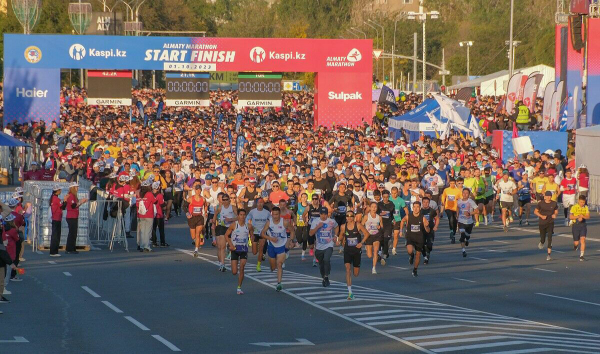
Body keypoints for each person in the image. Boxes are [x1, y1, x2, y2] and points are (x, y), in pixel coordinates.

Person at [261, 207, 294, 292]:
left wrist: (290, 241)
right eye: (273, 214)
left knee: (279, 264)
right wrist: (270, 238)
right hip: (271, 245)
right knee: (273, 267)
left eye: (277, 214)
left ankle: (279, 283)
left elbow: (292, 231)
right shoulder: (269, 222)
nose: (275, 216)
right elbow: (262, 233)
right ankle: (277, 262)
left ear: (280, 214)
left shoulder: (285, 222)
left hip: (281, 245)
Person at [337, 210, 369, 300]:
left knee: (356, 273)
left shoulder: (358, 225)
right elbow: (341, 236)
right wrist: (338, 240)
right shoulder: (343, 226)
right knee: (348, 270)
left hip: (356, 251)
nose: (349, 217)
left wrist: (361, 243)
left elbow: (367, 234)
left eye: (351, 216)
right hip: (347, 250)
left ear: (354, 217)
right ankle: (350, 292)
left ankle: (357, 266)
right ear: (346, 217)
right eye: (347, 216)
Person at [309, 207, 339, 287]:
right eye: (322, 214)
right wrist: (318, 227)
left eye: (325, 214)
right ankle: (324, 277)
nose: (323, 216)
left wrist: (335, 236)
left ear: (327, 214)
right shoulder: (315, 221)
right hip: (319, 247)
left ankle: (326, 276)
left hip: (329, 245)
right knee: (321, 264)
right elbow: (311, 233)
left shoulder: (331, 221)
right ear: (320, 214)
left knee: (326, 259)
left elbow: (336, 226)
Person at [400, 201, 430, 277]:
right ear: (412, 208)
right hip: (410, 236)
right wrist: (401, 230)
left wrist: (426, 226)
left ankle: (415, 269)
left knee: (418, 255)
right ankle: (411, 255)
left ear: (420, 208)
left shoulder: (423, 218)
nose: (416, 209)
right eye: (414, 207)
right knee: (409, 250)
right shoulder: (408, 216)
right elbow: (402, 220)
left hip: (419, 238)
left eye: (417, 207)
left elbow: (428, 230)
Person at [225, 209, 251, 295]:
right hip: (235, 249)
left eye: (244, 215)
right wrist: (230, 245)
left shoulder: (248, 226)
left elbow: (252, 234)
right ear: (238, 216)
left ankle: (239, 287)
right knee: (234, 272)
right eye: (241, 215)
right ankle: (230, 254)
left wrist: (254, 242)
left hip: (244, 249)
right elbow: (226, 235)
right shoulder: (233, 225)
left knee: (242, 267)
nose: (242, 217)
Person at [213, 193, 237, 272]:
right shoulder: (220, 208)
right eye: (224, 200)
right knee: (222, 246)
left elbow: (238, 217)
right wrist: (213, 223)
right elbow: (215, 216)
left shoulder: (233, 207)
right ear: (222, 201)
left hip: (231, 228)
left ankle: (233, 261)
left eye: (227, 200)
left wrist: (230, 220)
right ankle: (222, 264)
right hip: (222, 227)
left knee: (233, 246)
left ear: (229, 200)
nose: (225, 201)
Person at [246, 198, 270, 271]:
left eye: (261, 203)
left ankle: (258, 265)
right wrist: (250, 229)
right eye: (258, 203)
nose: (260, 204)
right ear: (256, 204)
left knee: (261, 249)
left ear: (263, 204)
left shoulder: (267, 212)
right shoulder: (252, 212)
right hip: (254, 232)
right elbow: (247, 220)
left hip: (262, 232)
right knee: (254, 252)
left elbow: (271, 221)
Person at [534, 191, 558, 261]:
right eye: (547, 196)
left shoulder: (554, 203)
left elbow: (556, 211)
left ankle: (549, 255)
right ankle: (541, 242)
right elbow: (535, 211)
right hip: (542, 223)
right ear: (544, 197)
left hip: (550, 222)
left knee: (550, 237)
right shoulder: (541, 203)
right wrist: (541, 216)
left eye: (550, 196)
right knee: (543, 238)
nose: (548, 197)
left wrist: (555, 215)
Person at [64, 183, 88, 254]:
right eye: (76, 187)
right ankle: (69, 248)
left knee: (74, 233)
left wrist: (80, 203)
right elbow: (73, 206)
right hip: (71, 216)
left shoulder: (74, 196)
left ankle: (72, 248)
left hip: (74, 216)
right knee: (72, 233)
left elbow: (76, 205)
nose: (77, 188)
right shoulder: (71, 196)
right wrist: (81, 202)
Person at [362, 202, 383, 274]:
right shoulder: (366, 216)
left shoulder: (379, 217)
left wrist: (379, 227)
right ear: (370, 208)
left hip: (376, 235)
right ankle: (367, 247)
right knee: (369, 255)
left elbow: (382, 227)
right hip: (368, 236)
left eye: (375, 207)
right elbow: (361, 225)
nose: (374, 208)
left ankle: (374, 268)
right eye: (372, 207)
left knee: (376, 251)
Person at [187, 180, 207, 257]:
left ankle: (196, 250)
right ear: (195, 190)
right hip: (192, 218)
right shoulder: (190, 199)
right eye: (197, 190)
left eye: (199, 190)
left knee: (197, 233)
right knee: (193, 236)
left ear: (201, 191)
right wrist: (187, 214)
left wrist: (205, 212)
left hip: (199, 217)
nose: (198, 191)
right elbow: (184, 206)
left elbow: (205, 205)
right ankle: (197, 240)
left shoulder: (203, 199)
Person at [456, 188, 478, 258]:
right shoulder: (459, 201)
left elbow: (477, 211)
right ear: (462, 193)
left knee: (467, 235)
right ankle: (463, 251)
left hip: (469, 222)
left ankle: (467, 239)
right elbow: (457, 208)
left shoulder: (470, 201)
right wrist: (457, 216)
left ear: (469, 195)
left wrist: (470, 213)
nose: (465, 194)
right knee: (462, 236)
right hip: (461, 221)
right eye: (464, 193)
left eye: (467, 193)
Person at [137, 179, 156, 252]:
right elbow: (155, 201)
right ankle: (147, 246)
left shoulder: (139, 194)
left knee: (142, 231)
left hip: (141, 214)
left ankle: (142, 245)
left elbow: (137, 204)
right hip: (148, 214)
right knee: (148, 231)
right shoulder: (149, 194)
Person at [569, 195, 590, 261]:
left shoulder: (586, 207)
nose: (582, 204)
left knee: (583, 239)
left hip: (583, 225)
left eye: (583, 202)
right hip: (576, 225)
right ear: (578, 201)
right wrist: (578, 217)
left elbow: (588, 216)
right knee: (576, 242)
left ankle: (581, 255)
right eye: (581, 202)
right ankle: (575, 246)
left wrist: (583, 216)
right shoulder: (574, 207)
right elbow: (571, 217)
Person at [441, 178, 461, 243]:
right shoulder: (446, 190)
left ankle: (453, 234)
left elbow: (461, 198)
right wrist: (443, 202)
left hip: (455, 208)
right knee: (451, 218)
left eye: (453, 183)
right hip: (448, 207)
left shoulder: (458, 191)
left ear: (455, 183)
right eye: (451, 183)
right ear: (449, 183)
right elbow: (443, 196)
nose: (452, 185)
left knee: (455, 221)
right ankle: (451, 231)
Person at [420, 197, 439, 264]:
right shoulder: (419, 211)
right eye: (424, 202)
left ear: (429, 203)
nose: (425, 204)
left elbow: (437, 218)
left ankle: (428, 253)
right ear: (422, 203)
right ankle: (425, 257)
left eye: (427, 202)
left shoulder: (432, 211)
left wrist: (436, 226)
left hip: (430, 230)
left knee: (429, 245)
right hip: (421, 230)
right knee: (422, 244)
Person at [390, 186, 408, 256]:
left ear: (397, 193)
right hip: (389, 219)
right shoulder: (388, 199)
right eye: (392, 193)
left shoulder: (401, 200)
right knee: (387, 236)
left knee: (396, 234)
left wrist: (407, 218)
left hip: (398, 219)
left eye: (395, 193)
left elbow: (406, 209)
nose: (394, 195)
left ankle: (394, 249)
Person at [151, 181, 168, 248]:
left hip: (152, 214)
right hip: (159, 213)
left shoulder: (150, 194)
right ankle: (162, 242)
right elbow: (162, 204)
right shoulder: (160, 195)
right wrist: (165, 204)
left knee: (153, 228)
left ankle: (154, 242)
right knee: (161, 229)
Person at [49, 186, 64, 257]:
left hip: (56, 218)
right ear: (57, 191)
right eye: (59, 190)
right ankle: (54, 251)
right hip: (57, 218)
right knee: (56, 235)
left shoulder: (53, 198)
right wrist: (65, 200)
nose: (60, 191)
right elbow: (63, 206)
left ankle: (54, 251)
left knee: (55, 235)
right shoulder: (56, 199)